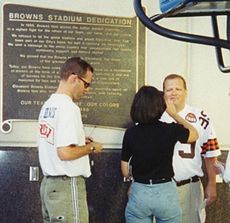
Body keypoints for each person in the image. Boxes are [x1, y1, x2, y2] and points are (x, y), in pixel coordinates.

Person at [38, 56, 103, 223]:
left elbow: (55, 142)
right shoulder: (68, 107)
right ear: (74, 78)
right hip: (67, 185)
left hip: (49, 186)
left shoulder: (48, 105)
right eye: (86, 84)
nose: (87, 90)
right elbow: (65, 152)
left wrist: (81, 141)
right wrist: (92, 148)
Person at [121, 85, 198, 223]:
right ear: (160, 106)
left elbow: (125, 171)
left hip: (139, 192)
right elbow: (194, 134)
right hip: (165, 192)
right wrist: (174, 114)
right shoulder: (170, 129)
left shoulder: (130, 133)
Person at [161, 74, 221, 223]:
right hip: (160, 187)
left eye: (178, 89)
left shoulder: (200, 117)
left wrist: (212, 184)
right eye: (169, 89)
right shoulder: (156, 115)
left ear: (186, 92)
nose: (173, 92)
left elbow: (210, 154)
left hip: (190, 186)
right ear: (163, 93)